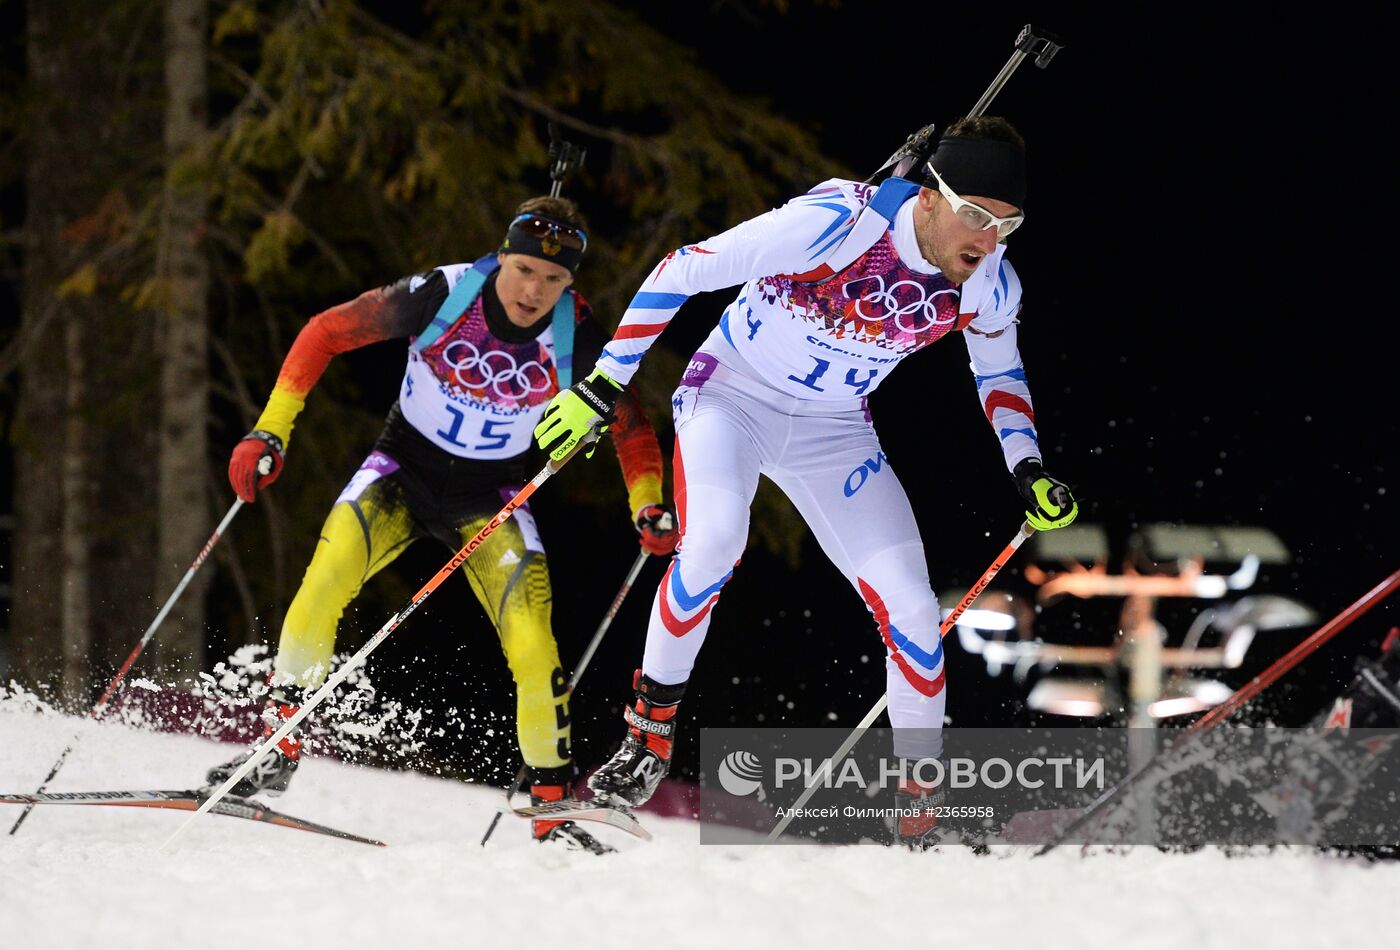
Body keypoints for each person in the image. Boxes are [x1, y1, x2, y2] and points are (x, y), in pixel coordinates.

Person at [534, 117, 1078, 846]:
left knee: (916, 617)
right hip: (730, 395)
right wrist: (604, 384)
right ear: (927, 196)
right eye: (975, 216)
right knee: (713, 547)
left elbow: (1000, 370)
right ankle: (645, 743)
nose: (987, 240)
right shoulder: (833, 223)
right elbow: (681, 270)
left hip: (833, 428)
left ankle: (923, 813)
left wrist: (1027, 464)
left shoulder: (988, 283)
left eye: (1007, 225)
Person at [206, 196, 679, 853]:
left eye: (552, 279)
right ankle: (278, 746)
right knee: (323, 583)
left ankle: (552, 811)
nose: (532, 290)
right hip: (399, 474)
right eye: (522, 270)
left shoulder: (576, 334)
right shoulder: (443, 292)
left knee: (535, 647)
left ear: (570, 284)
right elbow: (324, 332)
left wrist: (647, 502)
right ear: (501, 258)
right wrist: (271, 428)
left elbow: (632, 428)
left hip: (492, 500)